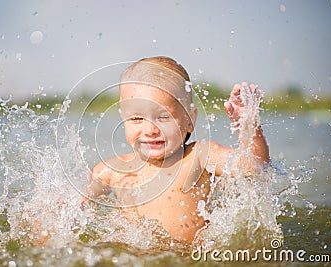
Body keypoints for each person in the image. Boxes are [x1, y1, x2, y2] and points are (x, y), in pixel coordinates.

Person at [86, 56, 270, 245]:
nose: (150, 130)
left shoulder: (198, 157)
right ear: (123, 118)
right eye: (136, 119)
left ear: (190, 119)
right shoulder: (110, 172)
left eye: (164, 117)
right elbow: (73, 215)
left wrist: (249, 127)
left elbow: (254, 167)